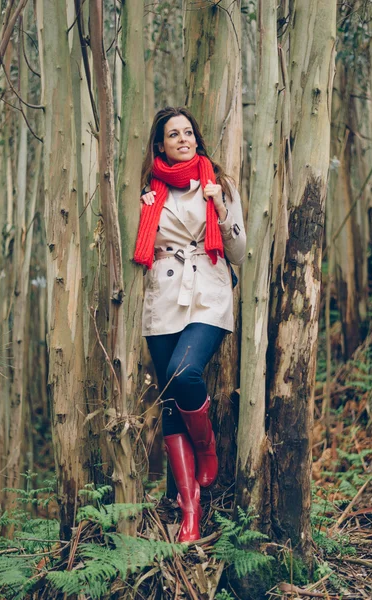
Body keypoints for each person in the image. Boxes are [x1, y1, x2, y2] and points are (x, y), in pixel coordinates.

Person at [133, 107, 246, 543]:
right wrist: (141, 209)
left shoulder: (219, 183)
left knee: (185, 373)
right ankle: (189, 511)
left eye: (188, 132)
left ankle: (207, 448)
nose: (183, 139)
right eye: (172, 135)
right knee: (168, 403)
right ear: (159, 145)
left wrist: (218, 203)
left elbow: (237, 251)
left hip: (209, 292)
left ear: (197, 138)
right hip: (163, 299)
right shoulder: (147, 190)